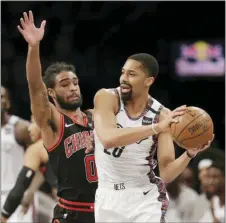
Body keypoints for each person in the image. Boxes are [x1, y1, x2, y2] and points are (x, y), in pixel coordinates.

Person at [93, 53, 214, 222]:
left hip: (144, 196)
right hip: (107, 195)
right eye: (123, 72)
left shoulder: (162, 114)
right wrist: (155, 128)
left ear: (148, 81)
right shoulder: (106, 97)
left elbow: (166, 173)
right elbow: (107, 139)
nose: (124, 78)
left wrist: (189, 154)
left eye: (132, 74)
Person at [17, 11, 97, 223]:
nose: (72, 88)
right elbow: (35, 87)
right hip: (72, 213)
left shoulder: (96, 117)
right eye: (64, 84)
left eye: (75, 83)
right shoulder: (54, 122)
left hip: (105, 209)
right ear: (51, 93)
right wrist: (34, 47)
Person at [1, 116, 57, 223]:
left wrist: (4, 216)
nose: (29, 128)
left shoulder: (36, 149)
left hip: (72, 205)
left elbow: (21, 185)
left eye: (32, 123)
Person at [1, 86, 33, 222]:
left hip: (16, 196)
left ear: (7, 103)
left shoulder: (20, 128)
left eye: (1, 96)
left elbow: (42, 160)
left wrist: (31, 192)